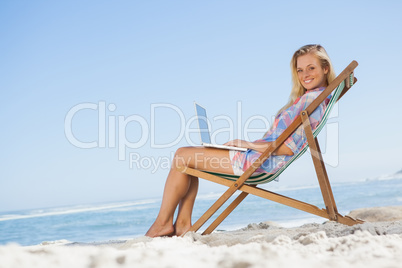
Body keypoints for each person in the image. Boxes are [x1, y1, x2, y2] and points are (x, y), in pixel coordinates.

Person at [145, 44, 336, 237]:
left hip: (258, 162)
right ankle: (182, 225)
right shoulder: (314, 99)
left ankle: (163, 223)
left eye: (311, 68)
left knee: (181, 156)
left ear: (325, 68)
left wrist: (248, 144)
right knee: (189, 157)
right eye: (300, 70)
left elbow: (287, 149)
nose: (305, 74)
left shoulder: (311, 101)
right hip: (258, 158)